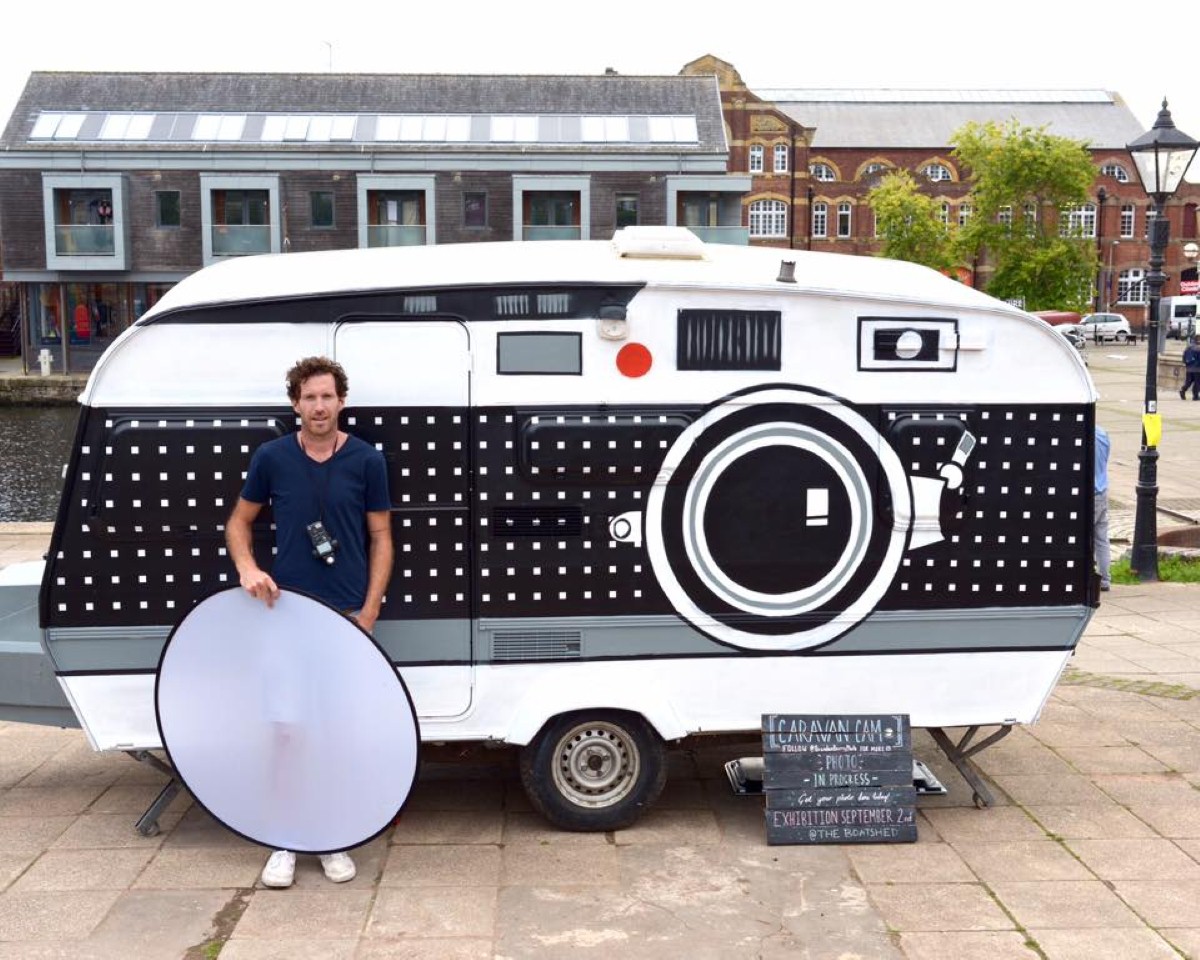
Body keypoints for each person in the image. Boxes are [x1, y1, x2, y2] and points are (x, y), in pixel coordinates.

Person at [226, 356, 393, 889]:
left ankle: (332, 835)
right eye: (309, 397)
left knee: (333, 731)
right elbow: (238, 523)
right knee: (287, 729)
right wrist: (249, 569)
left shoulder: (367, 460)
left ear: (341, 401)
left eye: (327, 396)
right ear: (295, 403)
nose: (318, 406)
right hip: (287, 615)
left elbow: (381, 538)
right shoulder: (271, 457)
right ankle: (285, 838)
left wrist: (368, 611)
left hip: (346, 617)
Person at [1094, 424, 1111, 592]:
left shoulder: (1079, 436)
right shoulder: (1102, 433)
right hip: (1102, 490)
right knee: (1101, 539)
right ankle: (1105, 579)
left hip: (1086, 494)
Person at [1181, 335, 1200, 401]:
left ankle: (1183, 390)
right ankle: (1195, 396)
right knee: (1197, 383)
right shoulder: (1198, 348)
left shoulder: (1188, 347)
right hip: (1197, 369)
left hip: (1189, 368)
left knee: (1188, 382)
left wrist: (1186, 364)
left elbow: (1184, 356)